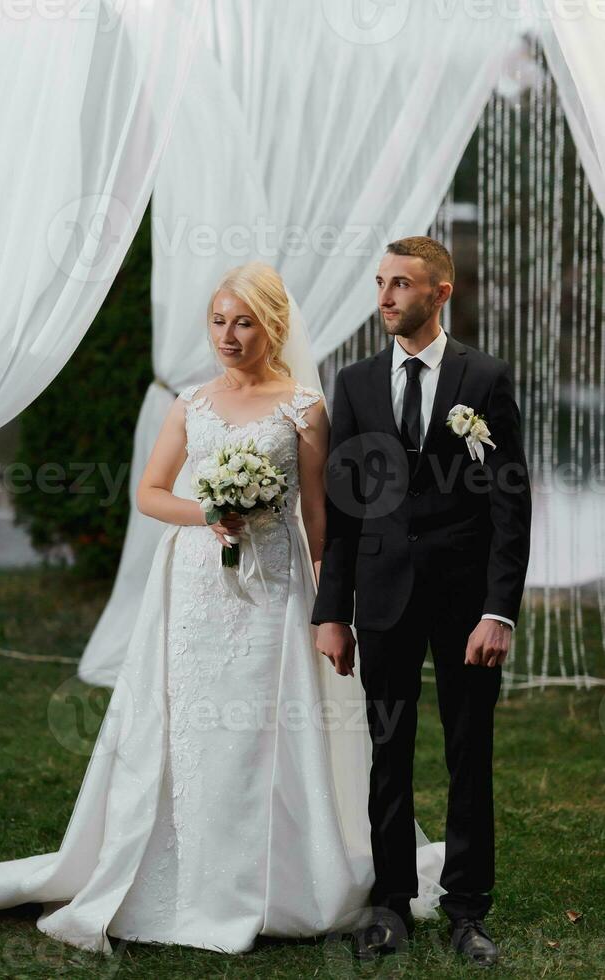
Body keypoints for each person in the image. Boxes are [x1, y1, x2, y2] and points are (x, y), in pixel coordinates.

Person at [0, 261, 444, 955]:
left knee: (265, 725)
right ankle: (174, 865)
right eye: (218, 321)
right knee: (188, 720)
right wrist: (208, 510)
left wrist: (334, 604)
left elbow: (320, 516)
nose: (228, 335)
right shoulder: (192, 404)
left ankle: (277, 879)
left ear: (271, 326)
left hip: (275, 583)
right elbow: (149, 493)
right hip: (193, 588)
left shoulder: (303, 406)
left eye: (243, 322)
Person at [313, 237, 532, 966]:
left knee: (470, 754)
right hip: (381, 595)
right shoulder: (356, 384)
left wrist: (498, 611)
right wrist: (331, 612)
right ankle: (390, 903)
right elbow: (343, 510)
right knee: (388, 750)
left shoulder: (486, 376)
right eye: (380, 283)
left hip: (466, 602)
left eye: (400, 284)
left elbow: (510, 501)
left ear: (440, 292)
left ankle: (467, 909)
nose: (384, 297)